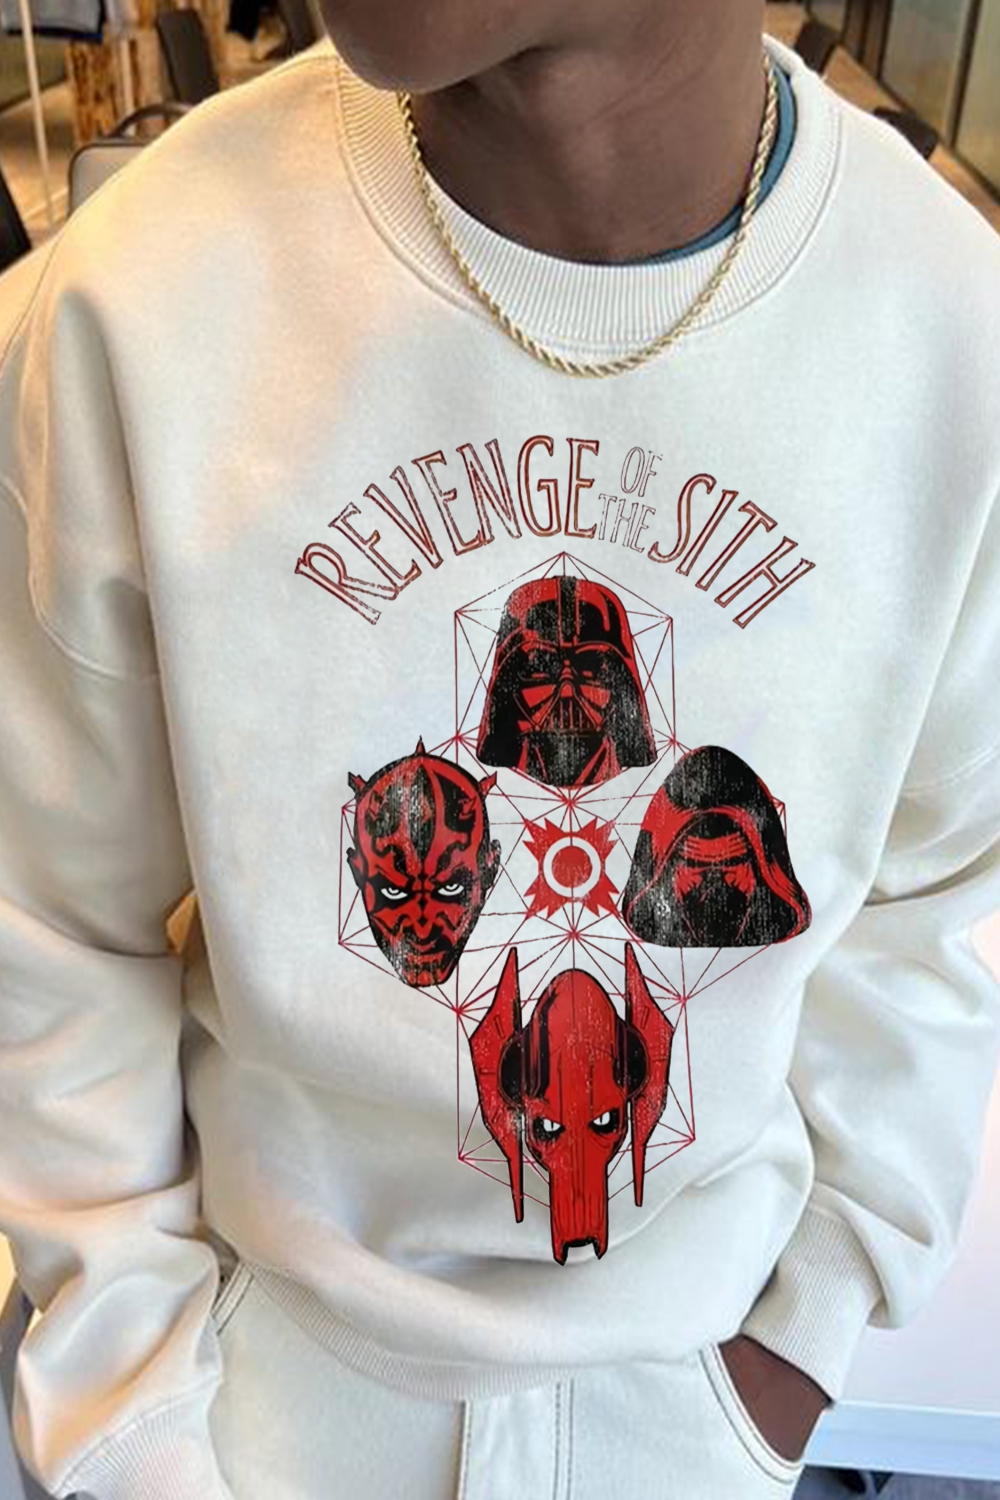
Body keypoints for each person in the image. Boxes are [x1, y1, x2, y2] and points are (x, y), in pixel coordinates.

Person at [1, 0, 1000, 1496]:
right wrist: (136, 1423)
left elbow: (928, 905)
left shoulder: (952, 339)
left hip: (696, 1401)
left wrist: (802, 1335)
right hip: (250, 1398)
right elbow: (48, 925)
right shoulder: (133, 303)